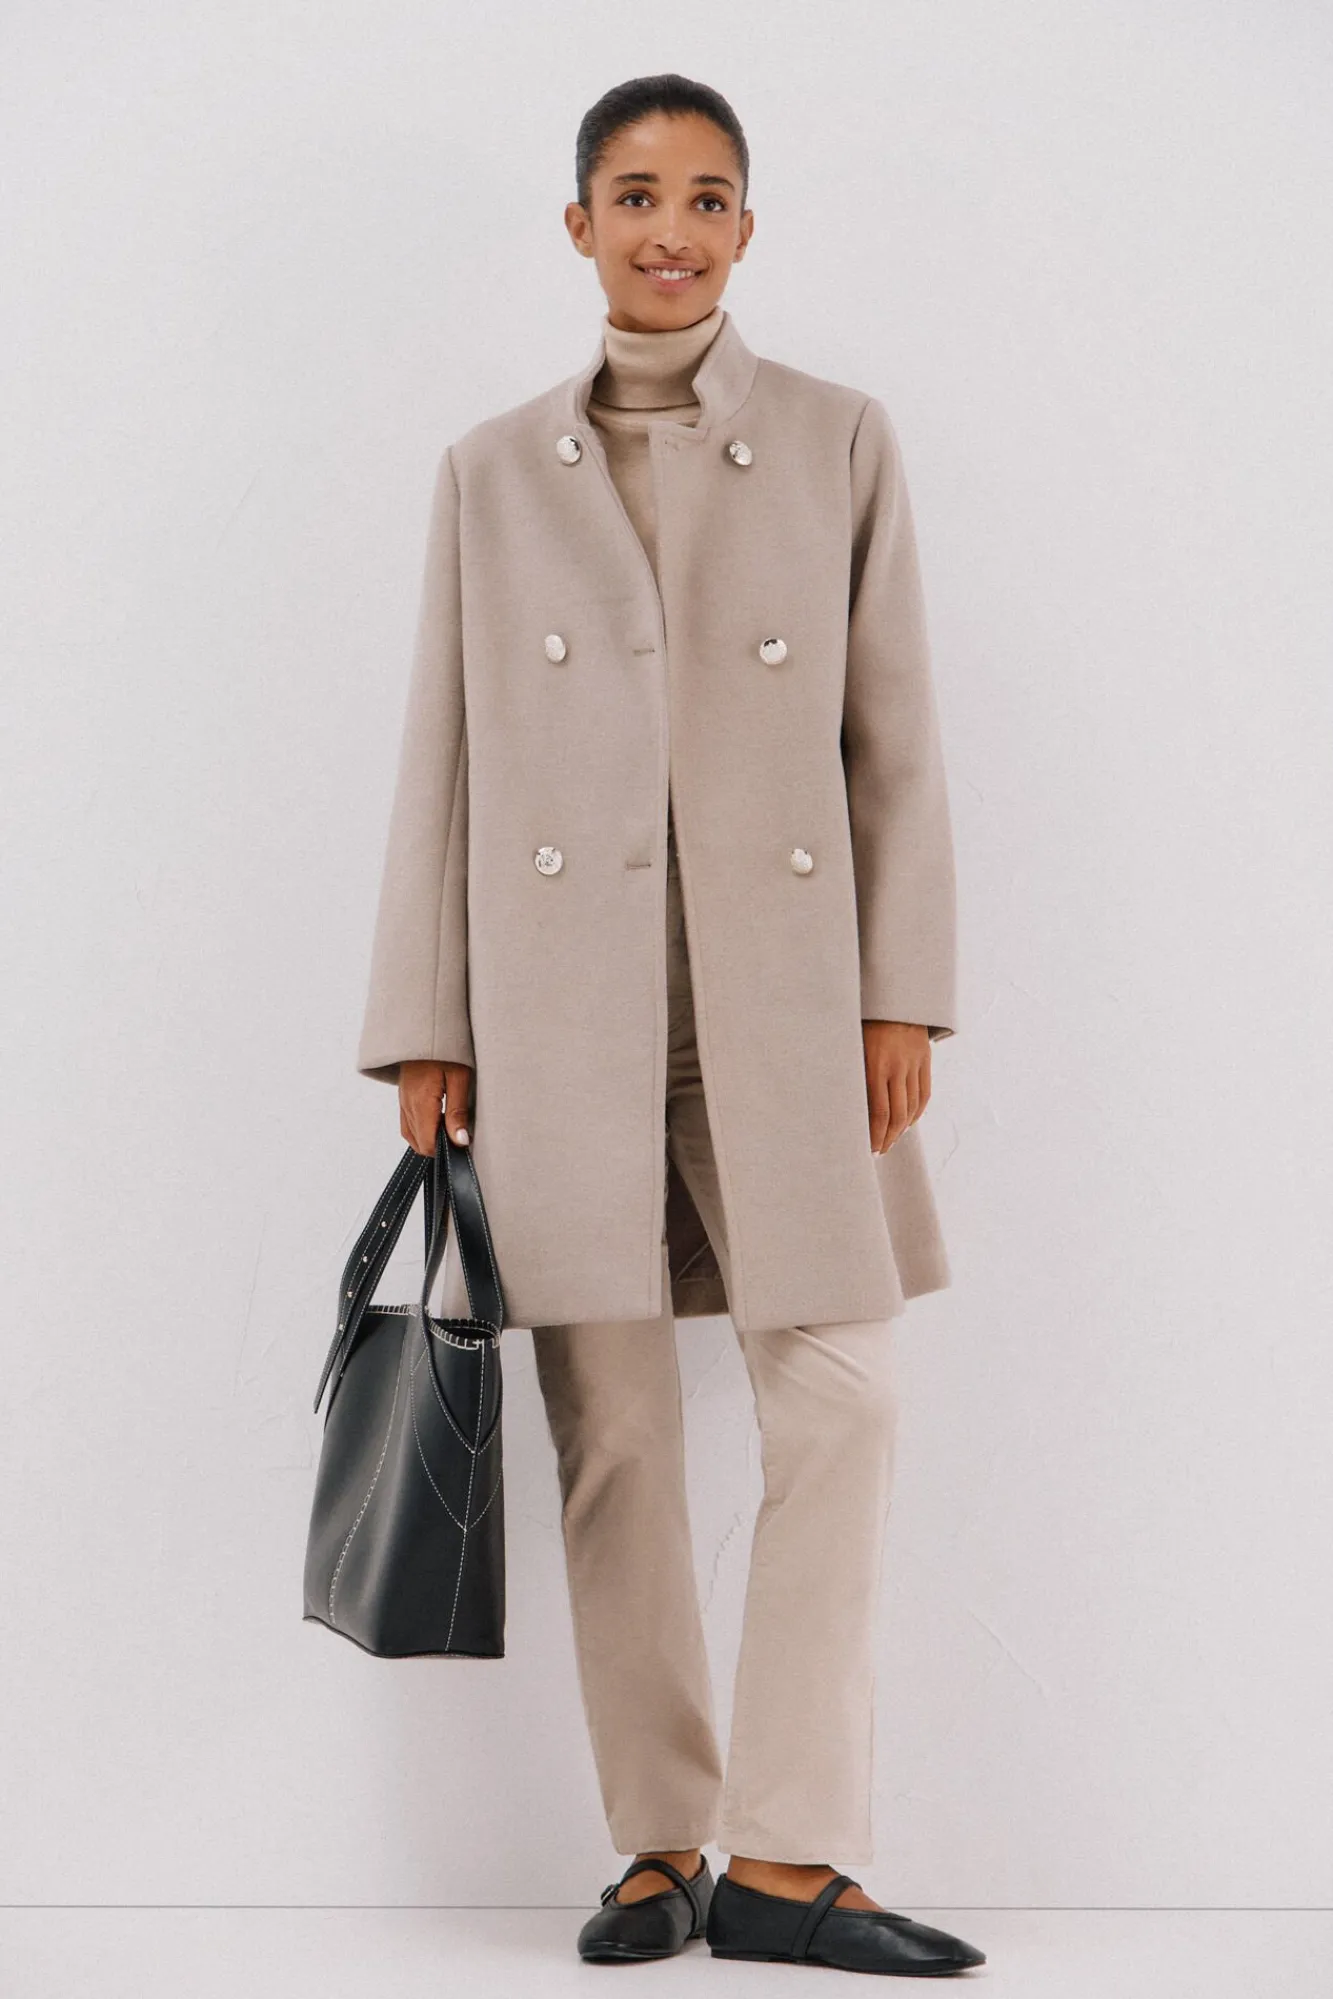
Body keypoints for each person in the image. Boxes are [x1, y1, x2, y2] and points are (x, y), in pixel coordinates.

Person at [356, 73, 985, 1978]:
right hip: (562, 1012)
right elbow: (445, 762)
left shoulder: (836, 439)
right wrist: (428, 1023)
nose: (671, 229)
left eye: (708, 197)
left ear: (745, 229)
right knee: (615, 1434)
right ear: (579, 226)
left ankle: (788, 1857)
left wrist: (901, 987)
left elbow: (896, 735)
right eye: (635, 195)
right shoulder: (490, 472)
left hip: (782, 1007)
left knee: (842, 1397)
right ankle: (661, 1843)